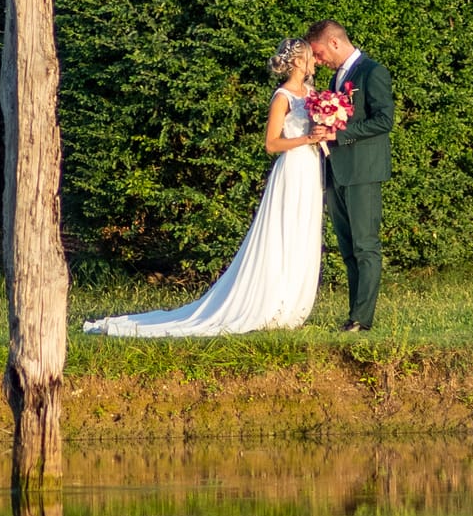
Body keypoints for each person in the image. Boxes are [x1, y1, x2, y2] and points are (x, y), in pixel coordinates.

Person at [82, 37, 326, 338]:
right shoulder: (283, 97)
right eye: (313, 57)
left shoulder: (313, 94)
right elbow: (271, 143)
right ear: (300, 61)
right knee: (284, 232)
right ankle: (271, 302)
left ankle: (293, 305)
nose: (316, 61)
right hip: (292, 169)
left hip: (312, 169)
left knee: (303, 232)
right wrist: (307, 139)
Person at [304, 20, 395, 334]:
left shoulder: (372, 72)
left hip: (363, 171)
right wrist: (321, 131)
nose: (317, 61)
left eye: (317, 53)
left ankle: (362, 319)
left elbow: (384, 120)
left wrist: (338, 134)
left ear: (333, 42)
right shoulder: (335, 78)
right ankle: (353, 315)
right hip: (337, 171)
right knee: (347, 247)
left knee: (365, 246)